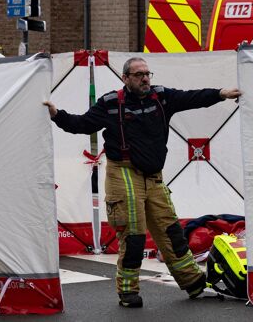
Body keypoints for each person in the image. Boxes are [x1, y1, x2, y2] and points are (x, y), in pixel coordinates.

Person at [44, 57, 241, 308]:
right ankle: (128, 292)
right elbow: (81, 125)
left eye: (147, 73)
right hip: (123, 174)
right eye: (138, 75)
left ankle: (193, 284)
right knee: (134, 235)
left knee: (172, 233)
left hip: (153, 176)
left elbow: (192, 97)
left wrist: (221, 93)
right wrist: (56, 115)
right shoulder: (110, 103)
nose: (145, 78)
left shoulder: (161, 97)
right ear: (125, 78)